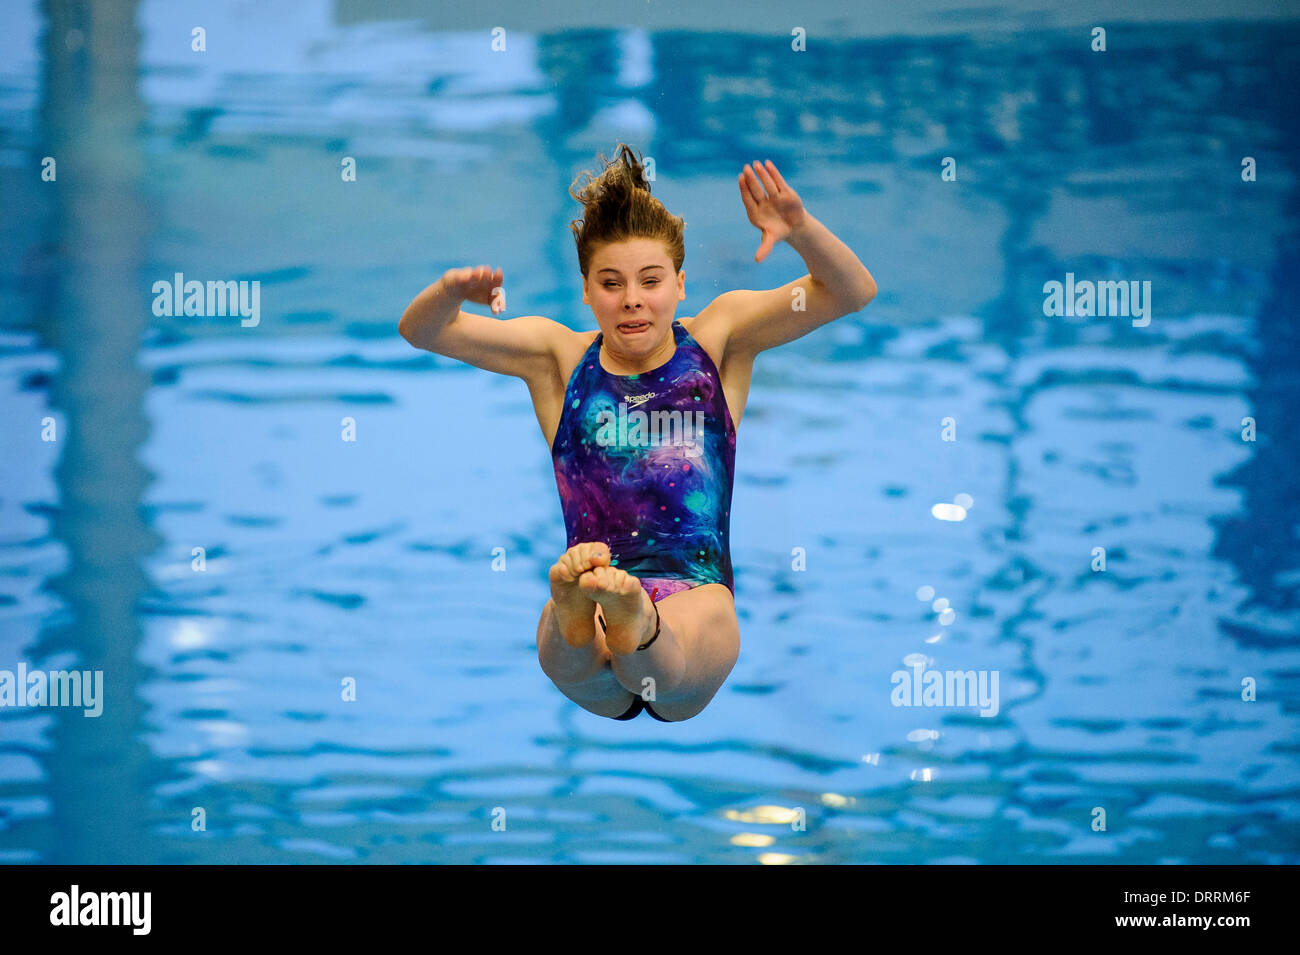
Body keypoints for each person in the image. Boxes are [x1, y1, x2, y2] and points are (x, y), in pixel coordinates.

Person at [399, 144, 876, 721]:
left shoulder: (718, 339)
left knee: (649, 672)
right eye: (610, 282)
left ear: (679, 283)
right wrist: (449, 293)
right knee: (607, 667)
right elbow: (424, 330)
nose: (631, 300)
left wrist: (798, 228)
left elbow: (851, 291)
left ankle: (616, 617)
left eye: (650, 280)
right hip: (604, 580)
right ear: (585, 290)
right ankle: (597, 616)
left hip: (693, 592)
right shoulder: (560, 358)